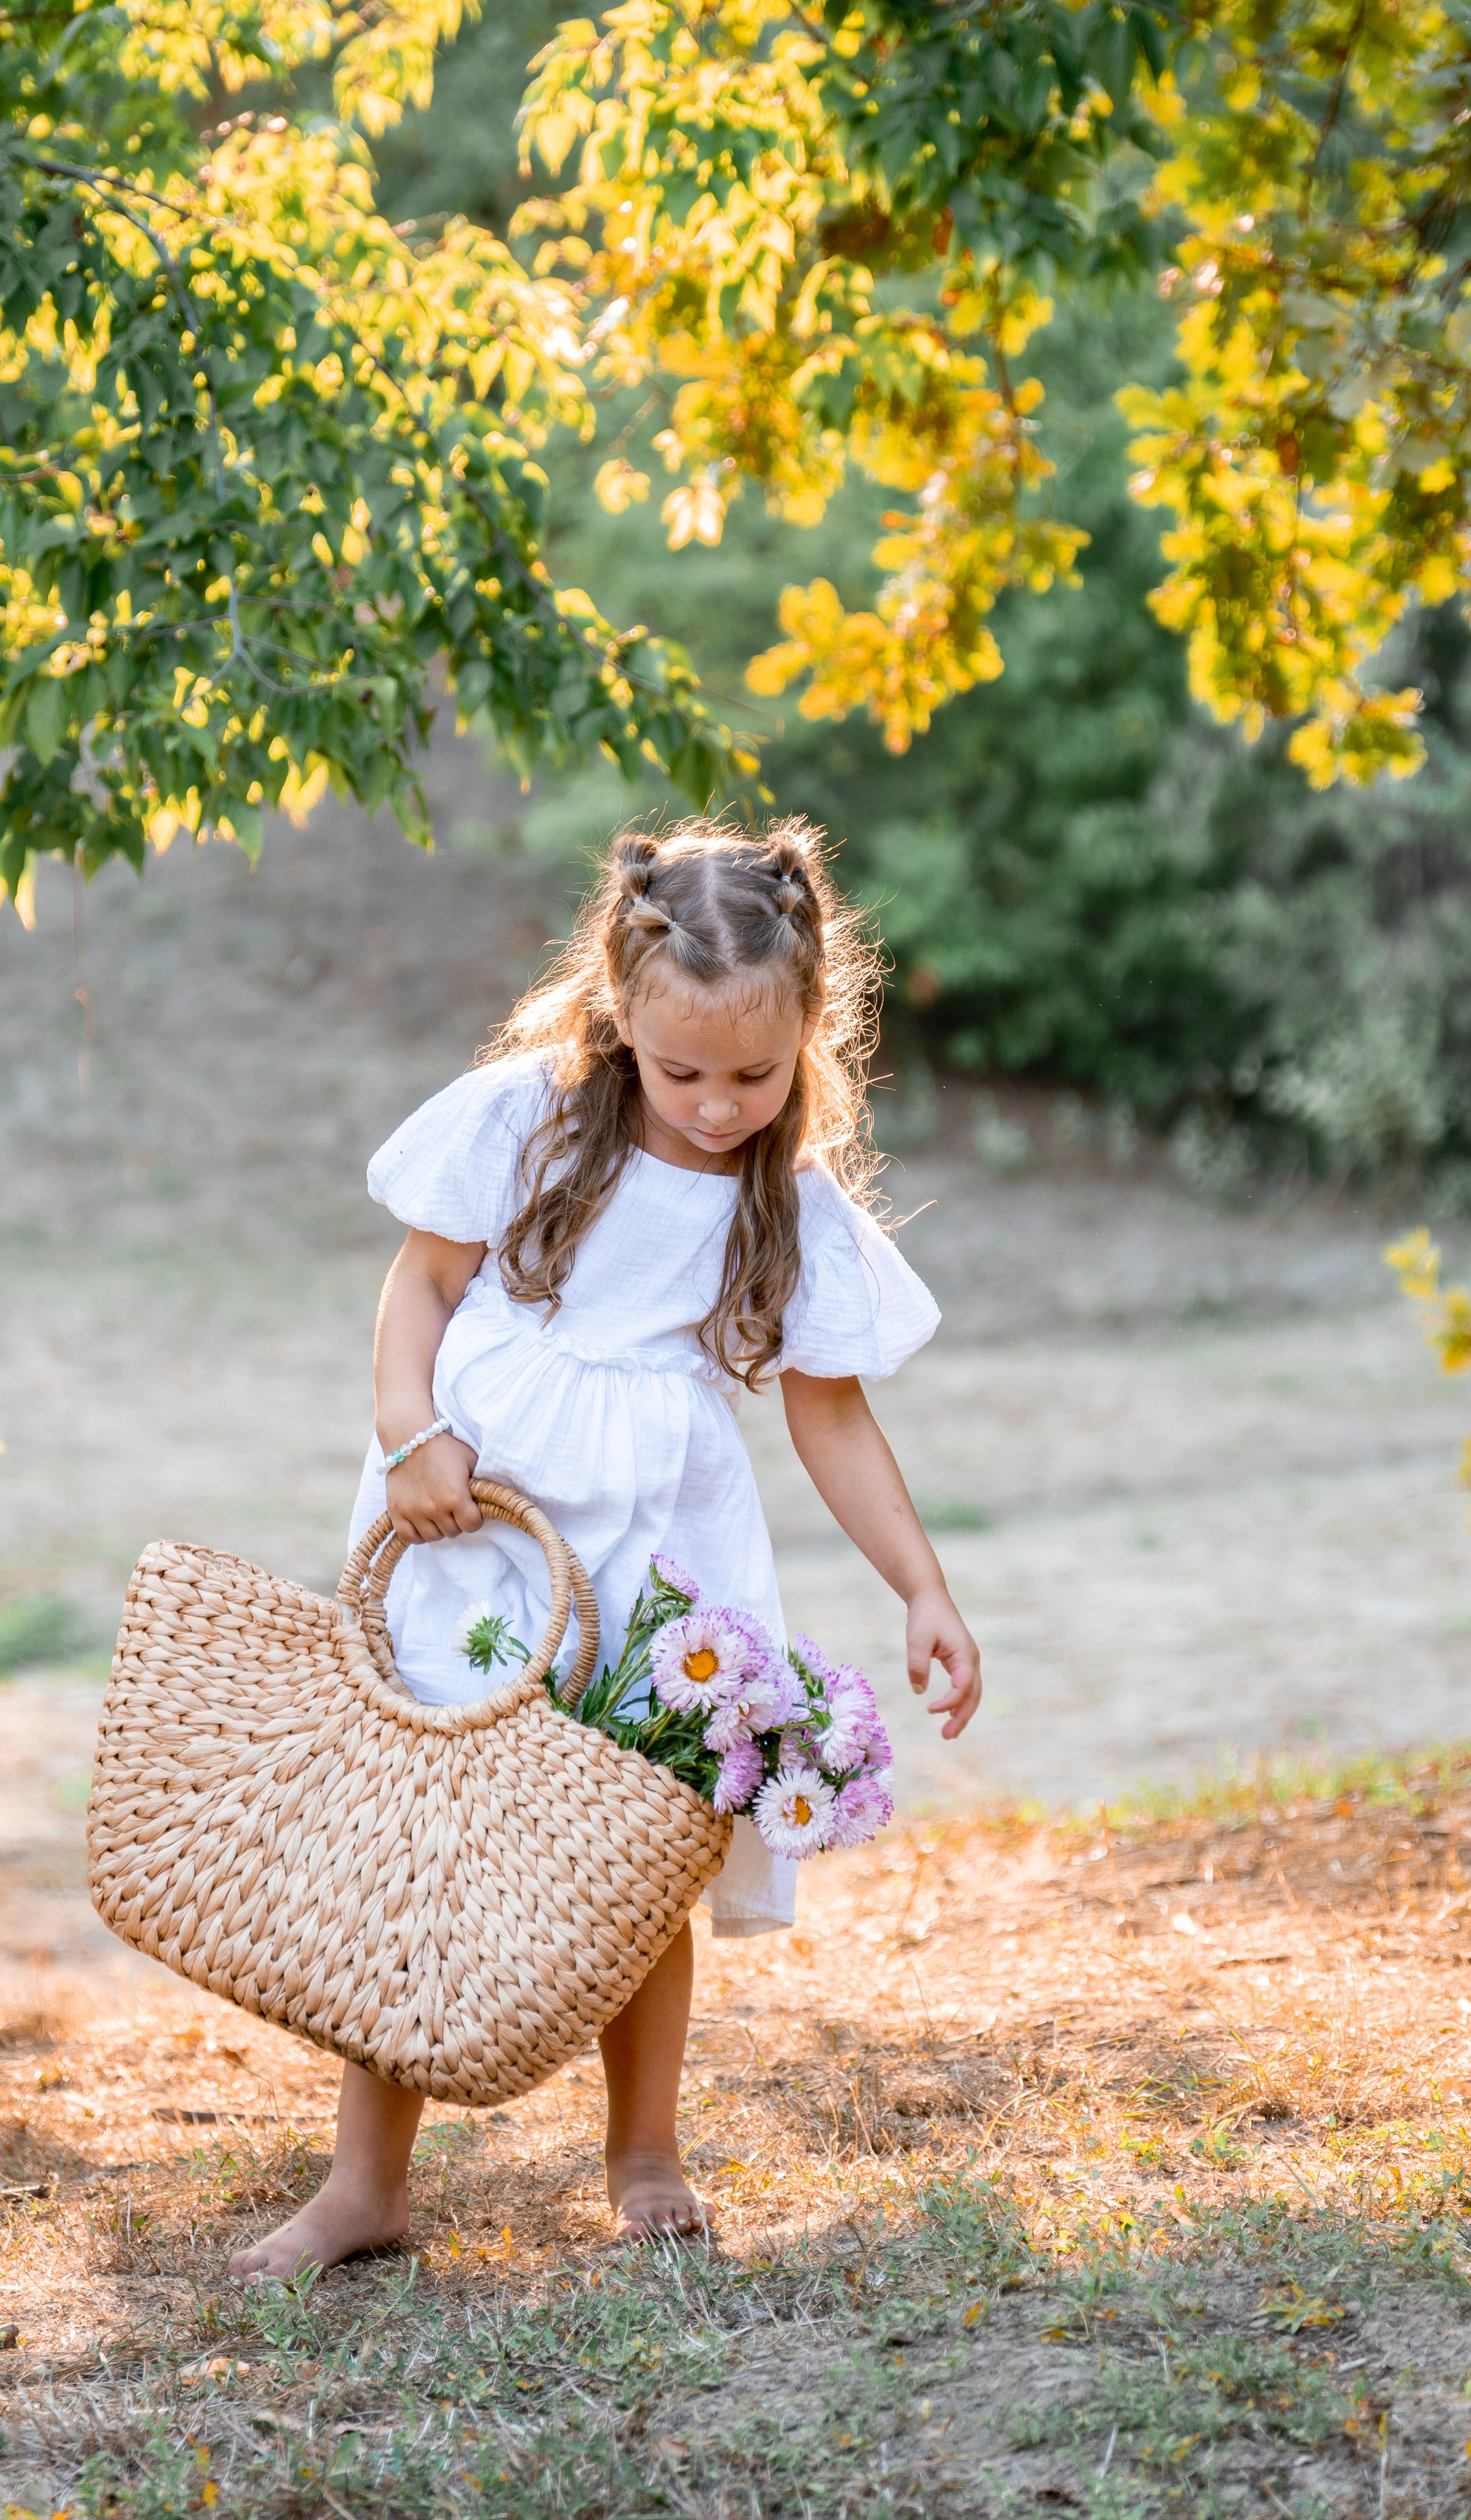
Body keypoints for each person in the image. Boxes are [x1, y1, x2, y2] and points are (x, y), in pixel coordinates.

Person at [232, 818, 981, 2277]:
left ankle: (643, 2153)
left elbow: (829, 1419)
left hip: (659, 1551)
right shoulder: (530, 1115)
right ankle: (362, 2183)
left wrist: (922, 1585)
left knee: (641, 1851)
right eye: (679, 1069)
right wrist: (405, 1438)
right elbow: (422, 1283)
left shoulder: (788, 1200)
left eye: (751, 1077)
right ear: (619, 1014)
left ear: (808, 1031)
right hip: (476, 1518)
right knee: (428, 1844)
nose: (714, 1104)